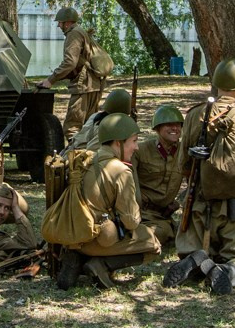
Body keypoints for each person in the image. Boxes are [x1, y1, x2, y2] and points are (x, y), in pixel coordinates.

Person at [168, 59, 235, 295]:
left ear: (216, 85)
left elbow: (182, 163)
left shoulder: (195, 115)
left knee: (193, 249)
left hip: (199, 202)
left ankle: (196, 259)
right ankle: (229, 270)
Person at [57, 113, 161, 289]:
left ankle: (78, 257)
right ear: (118, 143)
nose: (136, 147)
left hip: (72, 236)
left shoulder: (86, 160)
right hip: (97, 238)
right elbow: (130, 221)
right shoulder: (121, 171)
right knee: (153, 244)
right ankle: (99, 264)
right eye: (134, 141)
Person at [37, 7, 107, 137]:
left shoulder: (73, 34)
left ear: (67, 22)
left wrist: (51, 80)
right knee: (89, 125)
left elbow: (70, 62)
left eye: (60, 22)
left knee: (72, 128)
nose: (58, 25)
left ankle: (74, 150)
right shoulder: (80, 31)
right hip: (92, 84)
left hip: (83, 85)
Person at [132, 104, 187, 251]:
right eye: (169, 125)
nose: (174, 128)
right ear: (157, 128)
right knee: (158, 233)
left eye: (178, 125)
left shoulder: (185, 153)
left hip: (163, 215)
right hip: (141, 213)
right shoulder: (140, 151)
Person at [67, 87, 134, 151]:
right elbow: (92, 149)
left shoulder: (96, 116)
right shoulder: (108, 127)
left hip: (74, 149)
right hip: (81, 154)